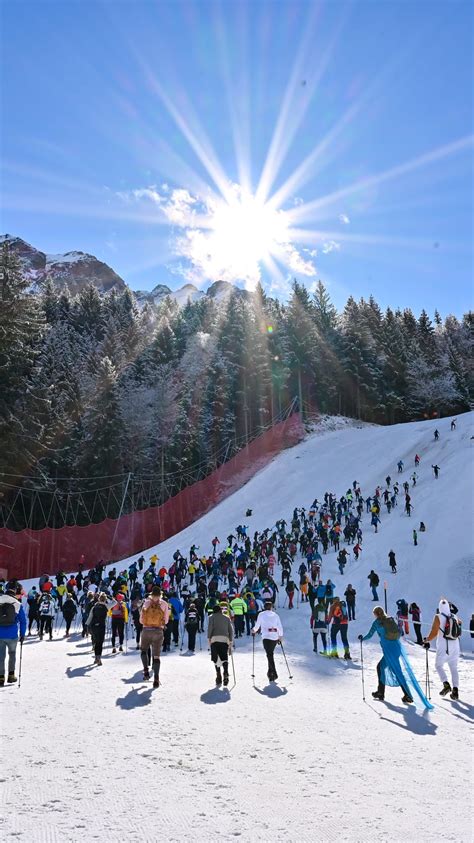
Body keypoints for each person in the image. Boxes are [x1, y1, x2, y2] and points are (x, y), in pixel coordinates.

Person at [359, 606, 432, 708]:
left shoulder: (377, 623)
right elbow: (399, 632)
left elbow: (370, 634)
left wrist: (362, 638)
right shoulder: (390, 619)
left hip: (388, 650)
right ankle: (381, 692)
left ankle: (407, 695)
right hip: (396, 648)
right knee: (382, 667)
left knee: (396, 672)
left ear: (375, 614)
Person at [423, 598, 462, 700]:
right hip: (455, 646)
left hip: (444, 646)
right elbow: (459, 630)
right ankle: (455, 691)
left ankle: (446, 684)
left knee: (438, 665)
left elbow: (434, 632)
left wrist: (427, 640)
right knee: (453, 667)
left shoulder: (438, 617)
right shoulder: (455, 616)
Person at [139, 586, 169, 687]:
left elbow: (141, 620)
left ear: (151, 594)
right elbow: (166, 620)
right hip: (158, 631)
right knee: (156, 655)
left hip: (146, 630)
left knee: (143, 650)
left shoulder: (146, 602)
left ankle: (146, 671)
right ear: (160, 594)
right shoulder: (164, 604)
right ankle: (156, 678)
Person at [0, 583, 26, 685]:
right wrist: (22, 635)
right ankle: (11, 676)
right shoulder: (17, 604)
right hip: (12, 634)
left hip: (0, 634)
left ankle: (1, 677)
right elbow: (23, 621)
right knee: (12, 654)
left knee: (0, 656)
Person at [252, 600, 283, 682]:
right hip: (274, 637)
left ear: (264, 607)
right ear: (271, 607)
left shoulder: (261, 614)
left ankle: (274, 673)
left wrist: (254, 631)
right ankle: (270, 673)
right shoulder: (275, 615)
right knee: (270, 654)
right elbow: (279, 626)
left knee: (269, 654)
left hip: (266, 636)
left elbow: (257, 625)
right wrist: (280, 636)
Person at [208, 604, 234, 686]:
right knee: (224, 657)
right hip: (224, 639)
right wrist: (230, 639)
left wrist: (209, 637)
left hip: (214, 639)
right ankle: (225, 672)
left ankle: (218, 676)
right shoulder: (226, 617)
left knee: (216, 658)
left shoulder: (211, 617)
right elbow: (231, 630)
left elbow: (210, 627)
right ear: (220, 610)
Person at [86, 593, 109, 666]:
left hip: (94, 626)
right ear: (105, 599)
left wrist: (86, 626)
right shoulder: (106, 606)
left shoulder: (94, 607)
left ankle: (96, 658)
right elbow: (115, 602)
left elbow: (90, 617)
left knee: (96, 642)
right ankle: (99, 658)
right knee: (100, 643)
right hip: (102, 626)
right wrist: (109, 597)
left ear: (99, 598)